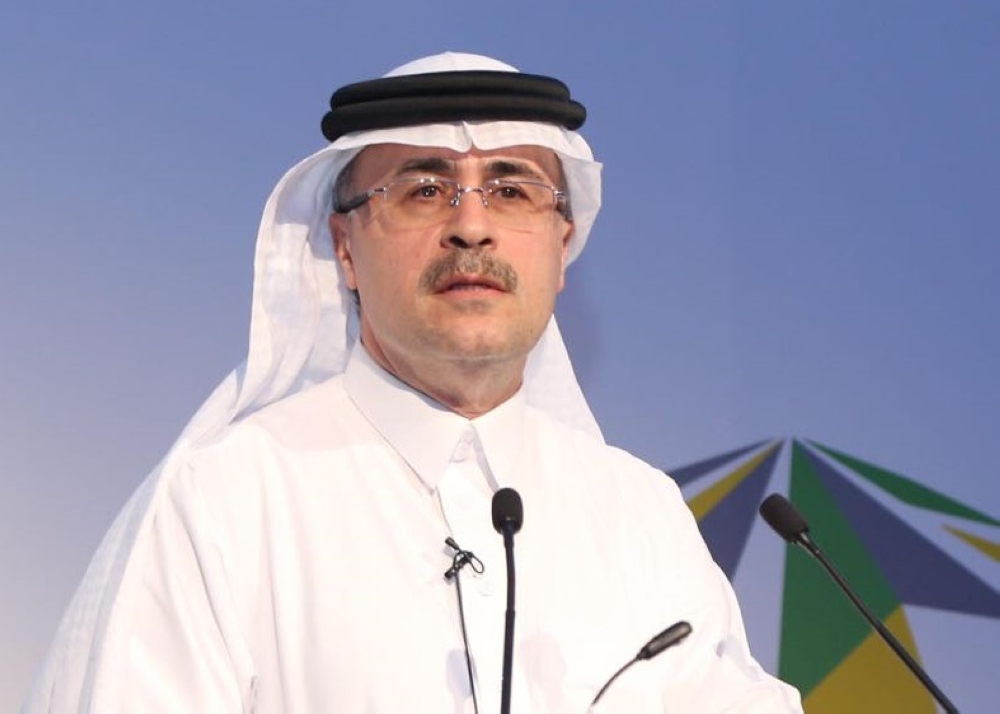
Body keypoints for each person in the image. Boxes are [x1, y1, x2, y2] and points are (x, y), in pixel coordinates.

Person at [25, 52, 802, 713]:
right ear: (345, 247)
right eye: (424, 190)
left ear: (562, 246)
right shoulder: (226, 500)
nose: (472, 226)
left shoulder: (640, 514)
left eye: (511, 190)